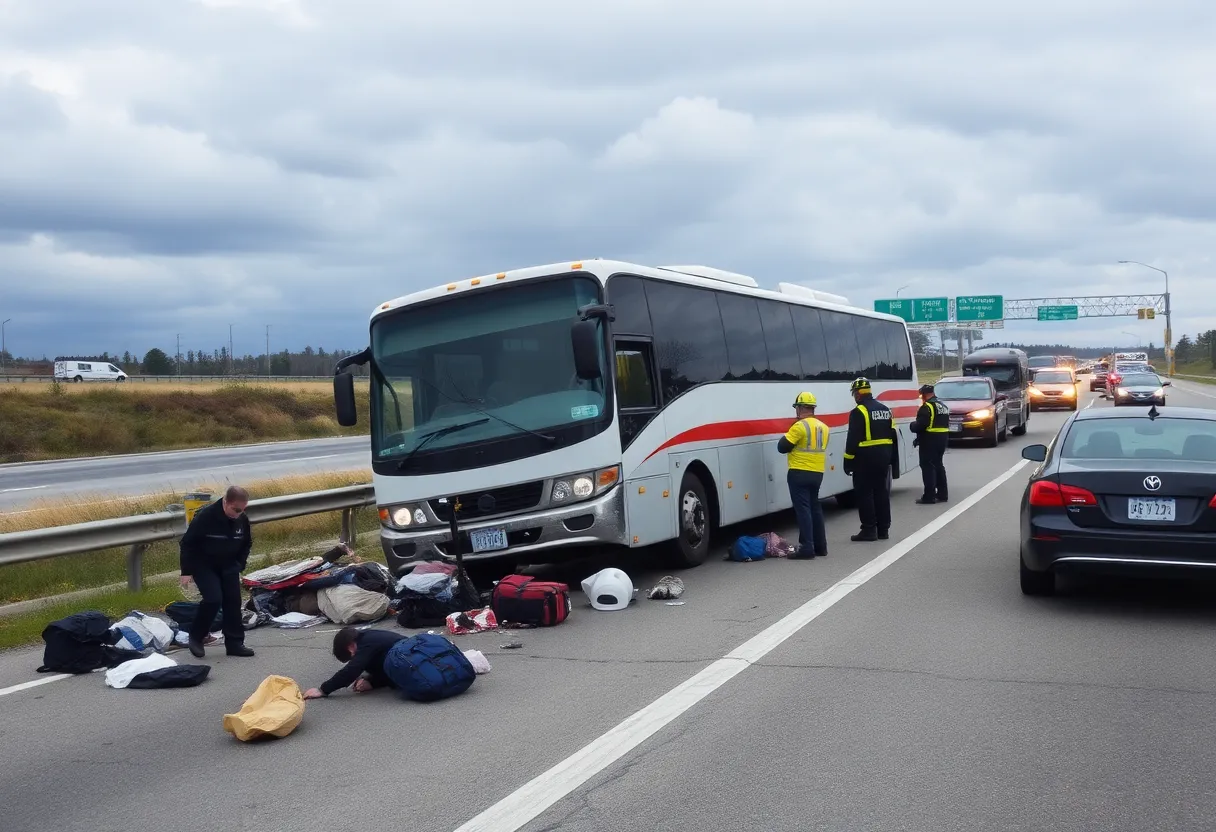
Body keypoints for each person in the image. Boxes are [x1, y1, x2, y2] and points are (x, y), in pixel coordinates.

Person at [178, 485, 255, 658]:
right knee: (214, 599)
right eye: (235, 509)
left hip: (229, 565)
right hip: (204, 565)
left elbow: (246, 543)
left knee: (233, 602)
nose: (238, 513)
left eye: (242, 510)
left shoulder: (242, 519)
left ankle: (235, 643)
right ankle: (197, 636)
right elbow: (188, 544)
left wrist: (239, 564)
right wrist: (186, 571)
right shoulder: (206, 517)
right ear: (226, 502)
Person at [842, 377, 896, 542]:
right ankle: (883, 529)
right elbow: (892, 434)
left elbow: (852, 439)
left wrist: (847, 461)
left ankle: (869, 530)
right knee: (881, 492)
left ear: (857, 394)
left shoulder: (859, 412)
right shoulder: (885, 409)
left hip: (865, 458)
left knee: (865, 494)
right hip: (884, 457)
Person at [777, 392, 830, 558]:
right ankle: (821, 547)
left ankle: (807, 547)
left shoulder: (799, 427)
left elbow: (782, 446)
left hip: (799, 473)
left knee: (803, 510)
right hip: (817, 473)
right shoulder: (824, 427)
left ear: (800, 408)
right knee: (815, 508)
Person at [303, 627, 407, 699]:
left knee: (362, 665)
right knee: (368, 664)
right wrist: (369, 681)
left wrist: (322, 690)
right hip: (408, 656)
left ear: (350, 648)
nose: (353, 657)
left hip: (408, 664)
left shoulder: (365, 645)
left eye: (351, 656)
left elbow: (351, 671)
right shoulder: (367, 636)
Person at [910, 382, 950, 504]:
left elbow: (920, 425)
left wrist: (912, 425)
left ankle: (929, 496)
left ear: (925, 395)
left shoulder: (927, 407)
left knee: (927, 467)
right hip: (942, 439)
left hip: (929, 440)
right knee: (938, 465)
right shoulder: (943, 406)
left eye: (922, 395)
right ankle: (943, 494)